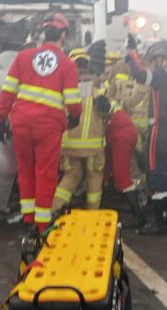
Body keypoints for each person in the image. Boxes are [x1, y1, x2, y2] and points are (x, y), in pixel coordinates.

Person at [0, 12, 82, 232]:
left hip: (21, 124)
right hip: (49, 127)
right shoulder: (67, 65)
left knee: (25, 170)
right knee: (45, 173)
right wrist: (75, 116)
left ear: (45, 33)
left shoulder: (23, 57)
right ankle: (43, 224)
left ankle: (28, 216)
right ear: (63, 35)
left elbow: (7, 92)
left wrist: (1, 119)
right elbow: (72, 100)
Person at [125, 36, 167, 235]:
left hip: (161, 129)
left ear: (159, 58)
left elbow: (140, 74)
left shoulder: (164, 74)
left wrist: (132, 51)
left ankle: (160, 224)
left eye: (153, 60)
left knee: (156, 173)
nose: (153, 65)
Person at [52, 49, 106, 211]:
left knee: (71, 177)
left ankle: (53, 211)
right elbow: (106, 110)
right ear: (88, 65)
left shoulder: (63, 87)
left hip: (69, 145)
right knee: (94, 179)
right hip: (93, 147)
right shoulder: (98, 87)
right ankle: (91, 215)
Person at [94, 95, 143, 227]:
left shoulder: (105, 108)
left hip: (121, 138)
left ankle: (138, 215)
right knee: (105, 170)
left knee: (122, 177)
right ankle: (102, 201)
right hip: (117, 135)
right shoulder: (111, 104)